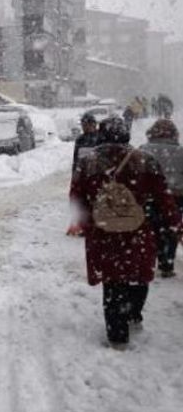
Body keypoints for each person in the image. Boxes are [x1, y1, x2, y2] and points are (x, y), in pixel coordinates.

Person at [70, 116, 179, 349]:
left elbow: (77, 198)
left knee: (113, 282)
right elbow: (163, 197)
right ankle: (133, 314)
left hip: (104, 233)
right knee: (139, 275)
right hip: (137, 231)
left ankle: (117, 335)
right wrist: (175, 223)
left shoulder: (88, 163)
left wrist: (86, 224)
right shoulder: (145, 161)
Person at [139, 119, 183, 277]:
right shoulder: (180, 151)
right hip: (176, 197)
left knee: (151, 229)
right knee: (171, 230)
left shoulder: (143, 150)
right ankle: (167, 264)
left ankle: (151, 259)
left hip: (149, 197)